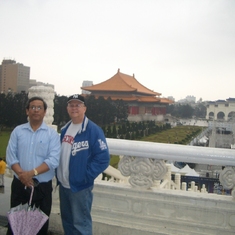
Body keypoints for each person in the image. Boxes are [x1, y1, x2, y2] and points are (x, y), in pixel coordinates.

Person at [6, 96, 61, 235]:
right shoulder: (18, 131)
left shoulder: (52, 135)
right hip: (20, 185)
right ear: (27, 111)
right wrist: (22, 175)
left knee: (39, 227)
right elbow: (11, 157)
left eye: (39, 108)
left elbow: (53, 160)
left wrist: (30, 174)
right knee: (16, 226)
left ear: (44, 112)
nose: (36, 110)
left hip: (41, 188)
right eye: (32, 107)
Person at [57, 94, 110, 235]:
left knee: (81, 224)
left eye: (78, 105)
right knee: (67, 222)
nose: (74, 108)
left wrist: (85, 176)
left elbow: (103, 158)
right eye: (71, 105)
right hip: (64, 185)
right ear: (67, 108)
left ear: (84, 108)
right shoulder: (65, 129)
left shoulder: (93, 130)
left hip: (80, 187)